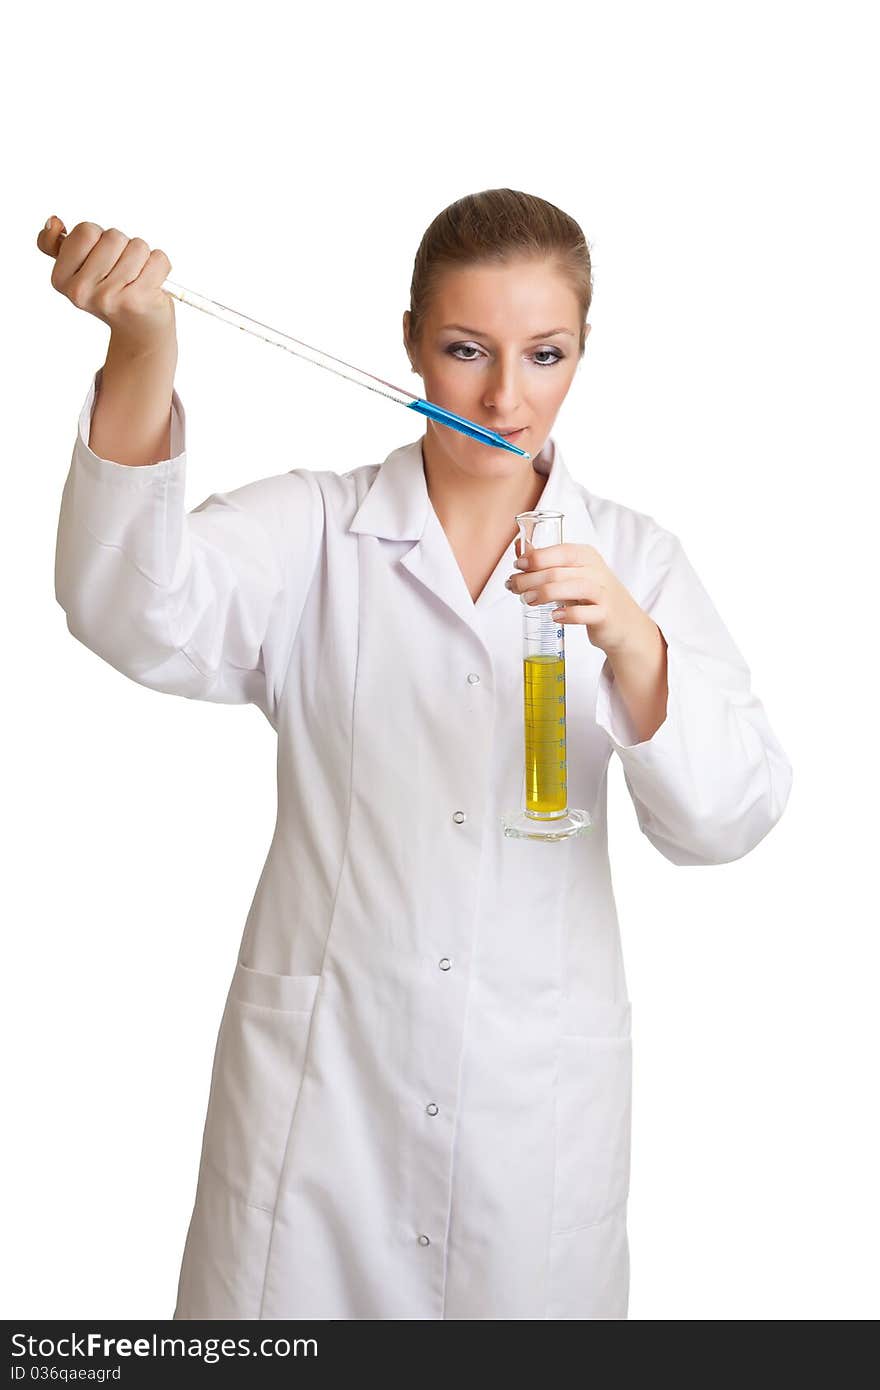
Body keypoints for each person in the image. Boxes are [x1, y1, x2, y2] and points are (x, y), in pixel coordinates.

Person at [38, 189, 793, 1320]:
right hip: (325, 1105)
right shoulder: (316, 532)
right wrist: (144, 346)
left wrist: (635, 642)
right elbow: (128, 609)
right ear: (408, 343)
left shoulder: (637, 556)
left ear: (583, 350)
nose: (506, 397)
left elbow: (729, 816)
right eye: (464, 349)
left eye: (545, 355)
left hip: (530, 1118)